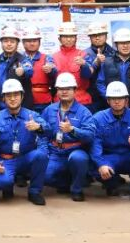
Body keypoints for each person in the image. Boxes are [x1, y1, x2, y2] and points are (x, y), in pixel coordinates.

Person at [89, 81, 130, 203]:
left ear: (126, 100)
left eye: (120, 98)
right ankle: (112, 183)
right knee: (92, 165)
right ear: (108, 101)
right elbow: (95, 145)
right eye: (113, 99)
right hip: (110, 158)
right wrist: (101, 164)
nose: (117, 102)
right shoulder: (98, 118)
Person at [0, 79, 48, 205]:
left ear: (22, 96)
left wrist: (39, 127)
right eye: (8, 95)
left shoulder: (32, 115)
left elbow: (49, 131)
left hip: (25, 158)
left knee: (41, 155)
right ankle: (7, 187)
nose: (12, 98)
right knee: (2, 182)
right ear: (3, 98)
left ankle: (34, 192)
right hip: (6, 161)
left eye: (16, 95)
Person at [39, 72, 94, 201]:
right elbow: (42, 134)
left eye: (68, 89)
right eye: (61, 89)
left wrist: (72, 130)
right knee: (44, 176)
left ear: (75, 90)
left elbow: (90, 135)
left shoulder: (84, 112)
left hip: (75, 150)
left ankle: (77, 189)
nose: (64, 92)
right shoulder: (49, 110)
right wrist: (44, 151)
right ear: (57, 91)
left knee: (78, 159)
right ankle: (65, 183)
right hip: (55, 151)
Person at [96, 29, 130, 119]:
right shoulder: (107, 62)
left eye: (128, 43)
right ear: (116, 45)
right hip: (113, 108)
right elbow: (100, 83)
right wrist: (110, 98)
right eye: (122, 43)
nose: (125, 46)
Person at [13, 27, 55, 113]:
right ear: (23, 43)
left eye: (35, 41)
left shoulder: (47, 58)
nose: (32, 43)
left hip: (42, 101)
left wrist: (51, 69)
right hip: (22, 100)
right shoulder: (17, 58)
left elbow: (54, 72)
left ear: (39, 42)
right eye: (28, 41)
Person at [52, 22, 94, 106]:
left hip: (81, 100)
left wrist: (84, 64)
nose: (68, 39)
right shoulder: (53, 57)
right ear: (59, 39)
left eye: (71, 36)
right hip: (60, 100)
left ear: (76, 38)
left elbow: (88, 75)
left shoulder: (84, 54)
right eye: (65, 36)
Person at [83, 22, 114, 113]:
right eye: (94, 35)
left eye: (100, 35)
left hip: (113, 97)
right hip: (92, 99)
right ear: (90, 38)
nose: (97, 38)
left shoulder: (114, 53)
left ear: (106, 36)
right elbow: (84, 76)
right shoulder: (84, 54)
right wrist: (96, 62)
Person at [0, 26, 23, 112]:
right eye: (5, 41)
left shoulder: (23, 60)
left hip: (19, 107)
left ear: (17, 43)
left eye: (12, 41)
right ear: (1, 43)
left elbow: (29, 71)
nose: (9, 44)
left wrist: (23, 71)